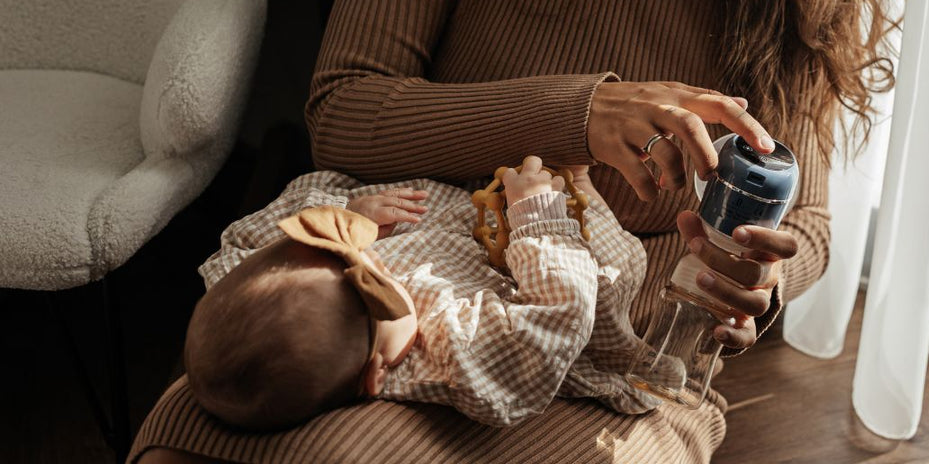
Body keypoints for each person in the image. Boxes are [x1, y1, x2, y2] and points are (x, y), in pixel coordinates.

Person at [133, 0, 900, 461]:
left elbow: (809, 223)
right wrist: (579, 118)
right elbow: (344, 112)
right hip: (396, 304)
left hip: (621, 361)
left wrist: (754, 284)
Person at [183, 157, 660, 430]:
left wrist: (350, 215)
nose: (376, 264)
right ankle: (583, 187)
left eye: (343, 254)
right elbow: (558, 314)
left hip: (458, 221)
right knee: (612, 272)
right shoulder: (450, 356)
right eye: (384, 286)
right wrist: (538, 216)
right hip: (542, 260)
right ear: (375, 375)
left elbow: (240, 244)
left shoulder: (253, 280)